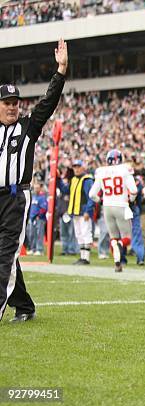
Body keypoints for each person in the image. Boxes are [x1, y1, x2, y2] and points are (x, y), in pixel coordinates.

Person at [0, 38, 67, 322]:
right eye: (7, 103)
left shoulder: (28, 126)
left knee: (4, 255)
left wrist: (61, 70)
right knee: (9, 255)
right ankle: (24, 305)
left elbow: (48, 102)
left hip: (16, 198)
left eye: (16, 103)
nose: (13, 107)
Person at [89, 150, 137, 272]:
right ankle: (120, 246)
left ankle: (117, 263)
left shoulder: (101, 171)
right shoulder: (125, 169)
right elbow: (134, 190)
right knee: (126, 238)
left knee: (113, 238)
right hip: (121, 205)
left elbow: (92, 194)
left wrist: (100, 200)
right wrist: (131, 199)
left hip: (107, 207)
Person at [63, 159, 95, 265]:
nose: (76, 169)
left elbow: (91, 197)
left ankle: (86, 258)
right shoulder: (74, 180)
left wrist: (88, 211)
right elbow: (65, 190)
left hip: (83, 212)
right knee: (79, 234)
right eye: (74, 167)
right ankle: (82, 257)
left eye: (78, 167)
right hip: (75, 212)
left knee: (86, 233)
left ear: (83, 168)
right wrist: (58, 179)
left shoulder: (87, 180)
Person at [28, 183, 47, 255]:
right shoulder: (32, 196)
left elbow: (44, 208)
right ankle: (33, 249)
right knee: (32, 234)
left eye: (37, 188)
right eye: (35, 188)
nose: (36, 189)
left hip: (39, 218)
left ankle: (39, 249)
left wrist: (39, 215)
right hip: (32, 218)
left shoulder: (42, 197)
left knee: (39, 234)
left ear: (40, 188)